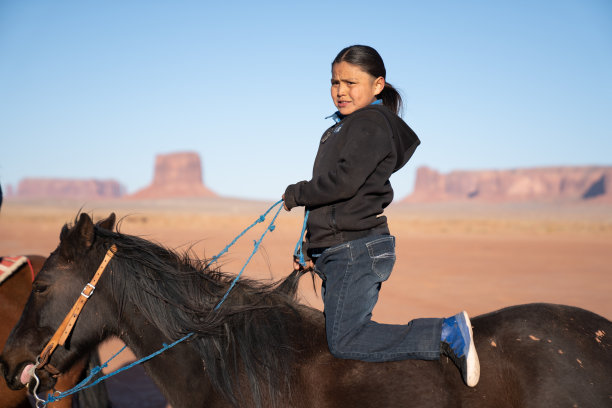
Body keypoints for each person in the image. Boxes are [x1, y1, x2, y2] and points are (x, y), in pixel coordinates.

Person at [283, 45, 480, 387]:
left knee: (345, 339)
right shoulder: (342, 128)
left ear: (377, 85)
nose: (340, 90)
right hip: (340, 249)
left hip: (357, 251)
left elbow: (342, 184)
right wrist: (312, 246)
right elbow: (335, 202)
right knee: (339, 339)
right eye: (334, 82)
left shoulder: (371, 123)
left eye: (350, 82)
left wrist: (296, 193)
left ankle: (445, 333)